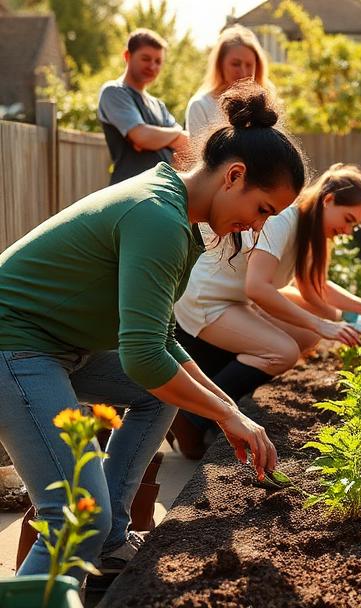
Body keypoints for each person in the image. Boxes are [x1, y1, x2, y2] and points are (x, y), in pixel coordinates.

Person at [0, 81, 306, 581]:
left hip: (58, 346)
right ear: (234, 176)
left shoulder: (178, 215)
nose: (255, 228)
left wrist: (227, 411)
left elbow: (160, 341)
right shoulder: (158, 217)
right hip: (14, 346)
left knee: (159, 395)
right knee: (76, 517)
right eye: (262, 210)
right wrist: (230, 417)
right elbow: (142, 357)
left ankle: (111, 543)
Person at [171, 163, 361, 452]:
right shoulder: (284, 218)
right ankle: (193, 417)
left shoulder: (309, 231)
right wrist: (322, 324)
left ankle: (231, 392)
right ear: (328, 200)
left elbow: (315, 286)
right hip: (206, 300)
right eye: (348, 219)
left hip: (234, 301)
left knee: (307, 336)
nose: (348, 231)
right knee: (282, 351)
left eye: (355, 225)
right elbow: (257, 287)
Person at [98, 28, 190, 185]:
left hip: (162, 192)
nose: (153, 66)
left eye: (158, 61)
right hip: (128, 194)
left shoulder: (158, 105)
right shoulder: (114, 92)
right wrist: (174, 133)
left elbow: (186, 142)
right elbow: (142, 137)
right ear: (127, 56)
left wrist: (156, 137)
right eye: (146, 59)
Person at [185, 25, 271, 138]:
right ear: (220, 65)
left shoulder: (268, 104)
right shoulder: (200, 106)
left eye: (249, 65)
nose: (243, 72)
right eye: (235, 64)